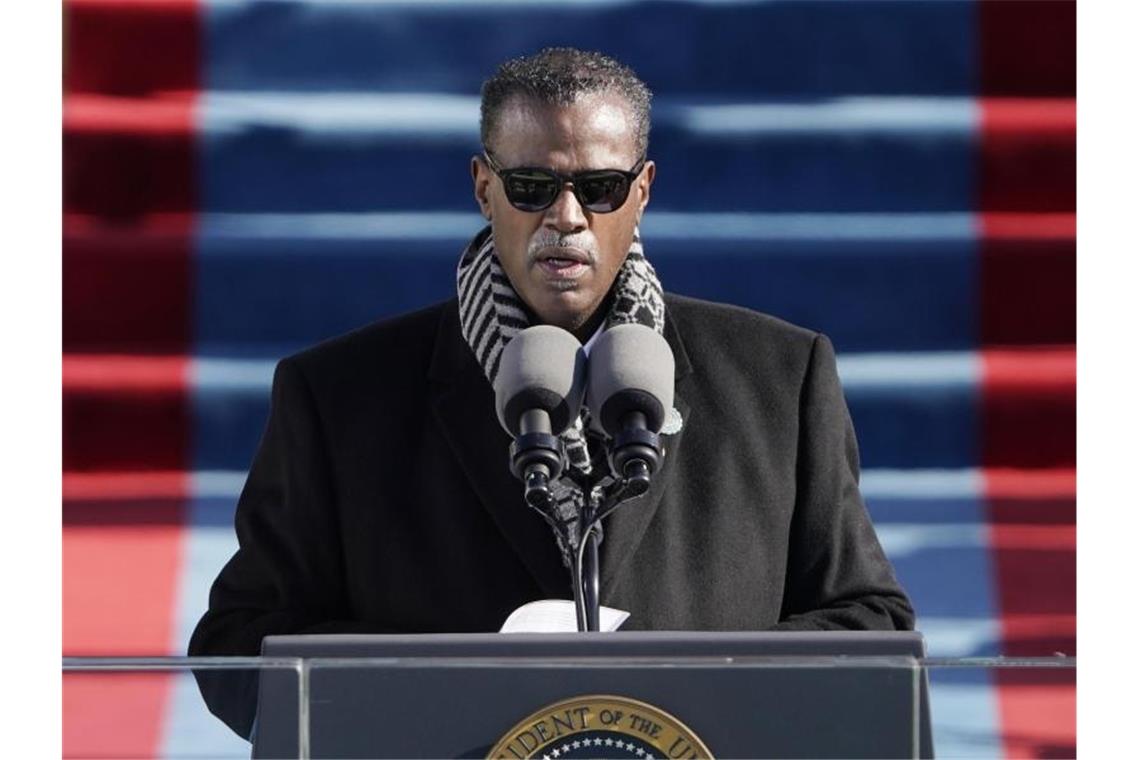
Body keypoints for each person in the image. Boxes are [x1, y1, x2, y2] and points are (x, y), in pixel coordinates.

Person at [189, 47, 914, 740]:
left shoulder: (781, 378)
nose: (566, 217)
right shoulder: (339, 397)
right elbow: (237, 649)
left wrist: (699, 687)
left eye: (599, 189)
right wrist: (455, 687)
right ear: (483, 187)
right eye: (531, 187)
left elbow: (871, 622)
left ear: (644, 191)